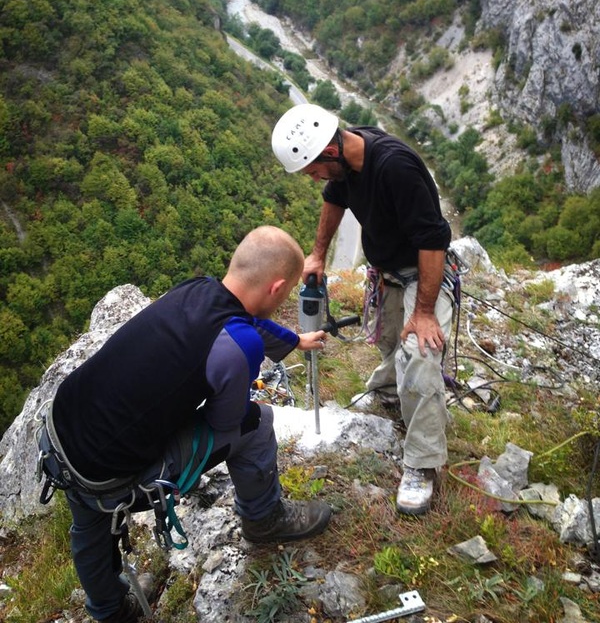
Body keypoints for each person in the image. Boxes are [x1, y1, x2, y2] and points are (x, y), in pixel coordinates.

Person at [36, 226, 331, 623]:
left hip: (62, 435)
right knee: (255, 423)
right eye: (286, 293)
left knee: (88, 521)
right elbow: (226, 421)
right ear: (278, 288)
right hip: (112, 479)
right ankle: (264, 519)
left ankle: (107, 610)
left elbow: (241, 319)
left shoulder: (197, 288)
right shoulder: (239, 345)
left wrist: (293, 341)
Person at [271, 104, 454, 517]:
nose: (314, 177)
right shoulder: (348, 155)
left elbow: (432, 239)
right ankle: (391, 394)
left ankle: (422, 464)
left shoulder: (394, 168)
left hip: (425, 273)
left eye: (313, 169)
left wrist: (424, 310)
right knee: (391, 342)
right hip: (389, 270)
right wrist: (317, 254)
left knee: (420, 354)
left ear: (329, 152)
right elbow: (334, 198)